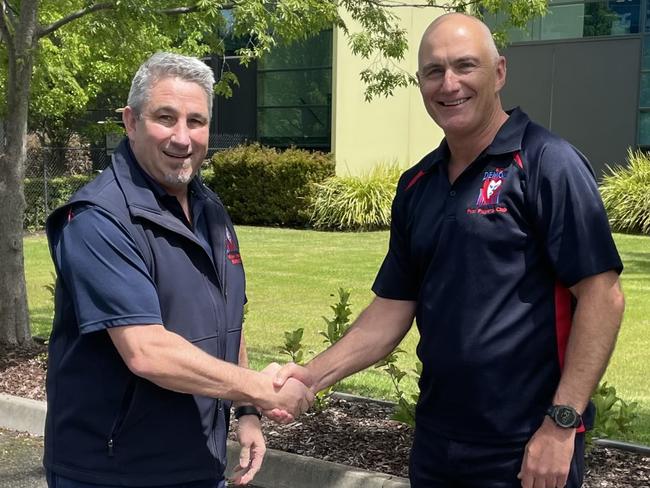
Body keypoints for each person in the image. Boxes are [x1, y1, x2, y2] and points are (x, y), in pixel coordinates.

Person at [272, 13, 625, 488]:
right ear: (420, 82)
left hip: (526, 447)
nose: (449, 83)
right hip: (438, 444)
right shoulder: (418, 184)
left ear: (498, 72)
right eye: (434, 71)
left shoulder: (546, 163)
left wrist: (561, 426)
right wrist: (309, 378)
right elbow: (392, 310)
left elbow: (603, 298)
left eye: (465, 66)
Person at [43, 52, 313, 488]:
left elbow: (229, 318)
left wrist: (245, 413)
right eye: (165, 117)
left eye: (197, 121)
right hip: (113, 473)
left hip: (198, 465)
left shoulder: (209, 209)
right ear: (130, 122)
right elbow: (147, 351)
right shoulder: (99, 218)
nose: (182, 138)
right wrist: (259, 388)